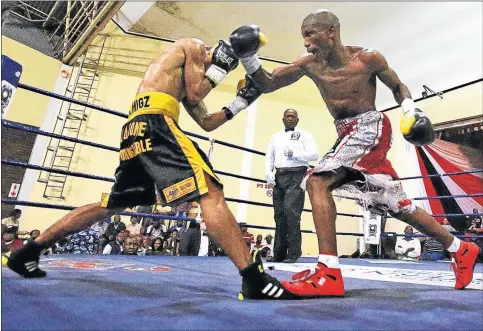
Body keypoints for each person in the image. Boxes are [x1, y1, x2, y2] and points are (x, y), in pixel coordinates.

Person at [5, 37, 295, 300]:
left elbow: (208, 122)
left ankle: (30, 250)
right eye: (220, 61)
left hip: (136, 129)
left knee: (114, 203)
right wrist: (221, 64)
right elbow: (197, 94)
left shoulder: (179, 83)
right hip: (156, 123)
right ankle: (252, 277)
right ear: (215, 50)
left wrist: (241, 101)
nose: (215, 68)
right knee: (210, 190)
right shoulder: (192, 46)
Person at [229, 10, 480, 296]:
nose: (306, 43)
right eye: (303, 37)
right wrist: (248, 57)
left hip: (370, 126)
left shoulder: (367, 58)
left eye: (310, 34)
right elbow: (270, 82)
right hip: (345, 134)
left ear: (331, 32)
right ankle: (460, 248)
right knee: (396, 205)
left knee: (317, 181)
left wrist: (411, 109)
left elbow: (397, 85)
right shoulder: (309, 65)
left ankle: (328, 272)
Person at [265, 108, 318, 263]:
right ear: (283, 119)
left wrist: (295, 155)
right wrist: (268, 172)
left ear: (297, 119)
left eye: (292, 116)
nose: (290, 118)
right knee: (279, 215)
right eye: (287, 116)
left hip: (297, 175)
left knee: (291, 213)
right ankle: (279, 253)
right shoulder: (275, 137)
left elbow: (314, 155)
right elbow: (269, 155)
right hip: (279, 175)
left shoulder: (305, 135)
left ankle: (293, 253)